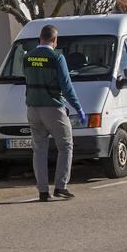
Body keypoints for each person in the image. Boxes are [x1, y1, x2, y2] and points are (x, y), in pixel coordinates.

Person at [23, 25, 86, 201]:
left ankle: (43, 191)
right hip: (53, 107)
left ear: (39, 38)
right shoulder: (57, 57)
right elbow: (66, 86)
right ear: (55, 40)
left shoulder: (27, 58)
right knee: (66, 145)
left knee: (39, 149)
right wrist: (78, 108)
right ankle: (61, 186)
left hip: (32, 108)